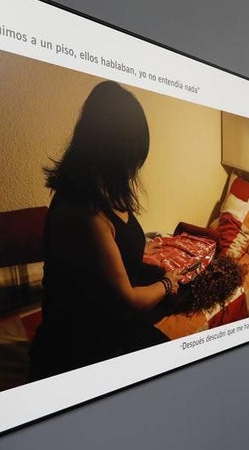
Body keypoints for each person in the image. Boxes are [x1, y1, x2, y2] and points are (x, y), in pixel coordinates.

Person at [29, 81, 179, 381]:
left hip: (107, 320)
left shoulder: (106, 189)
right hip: (81, 342)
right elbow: (127, 299)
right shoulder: (85, 212)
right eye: (131, 156)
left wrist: (147, 247)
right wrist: (167, 284)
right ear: (111, 151)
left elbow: (116, 243)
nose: (134, 167)